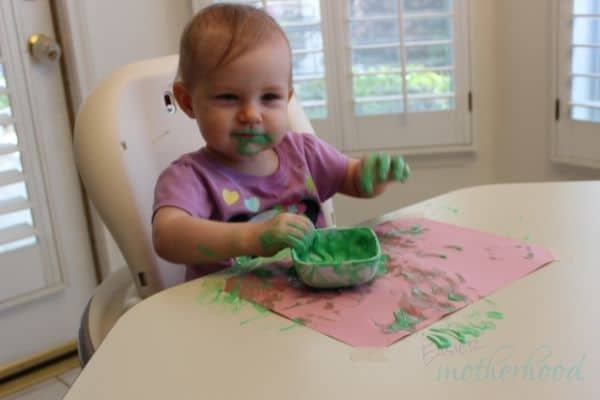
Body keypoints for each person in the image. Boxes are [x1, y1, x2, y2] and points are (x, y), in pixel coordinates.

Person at [152, 3, 411, 281]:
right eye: (228, 97)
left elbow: (351, 178)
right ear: (188, 102)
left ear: (287, 99)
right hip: (228, 313)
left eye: (269, 98)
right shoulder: (190, 177)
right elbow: (167, 236)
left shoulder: (304, 153)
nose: (251, 115)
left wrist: (370, 175)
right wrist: (249, 238)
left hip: (312, 301)